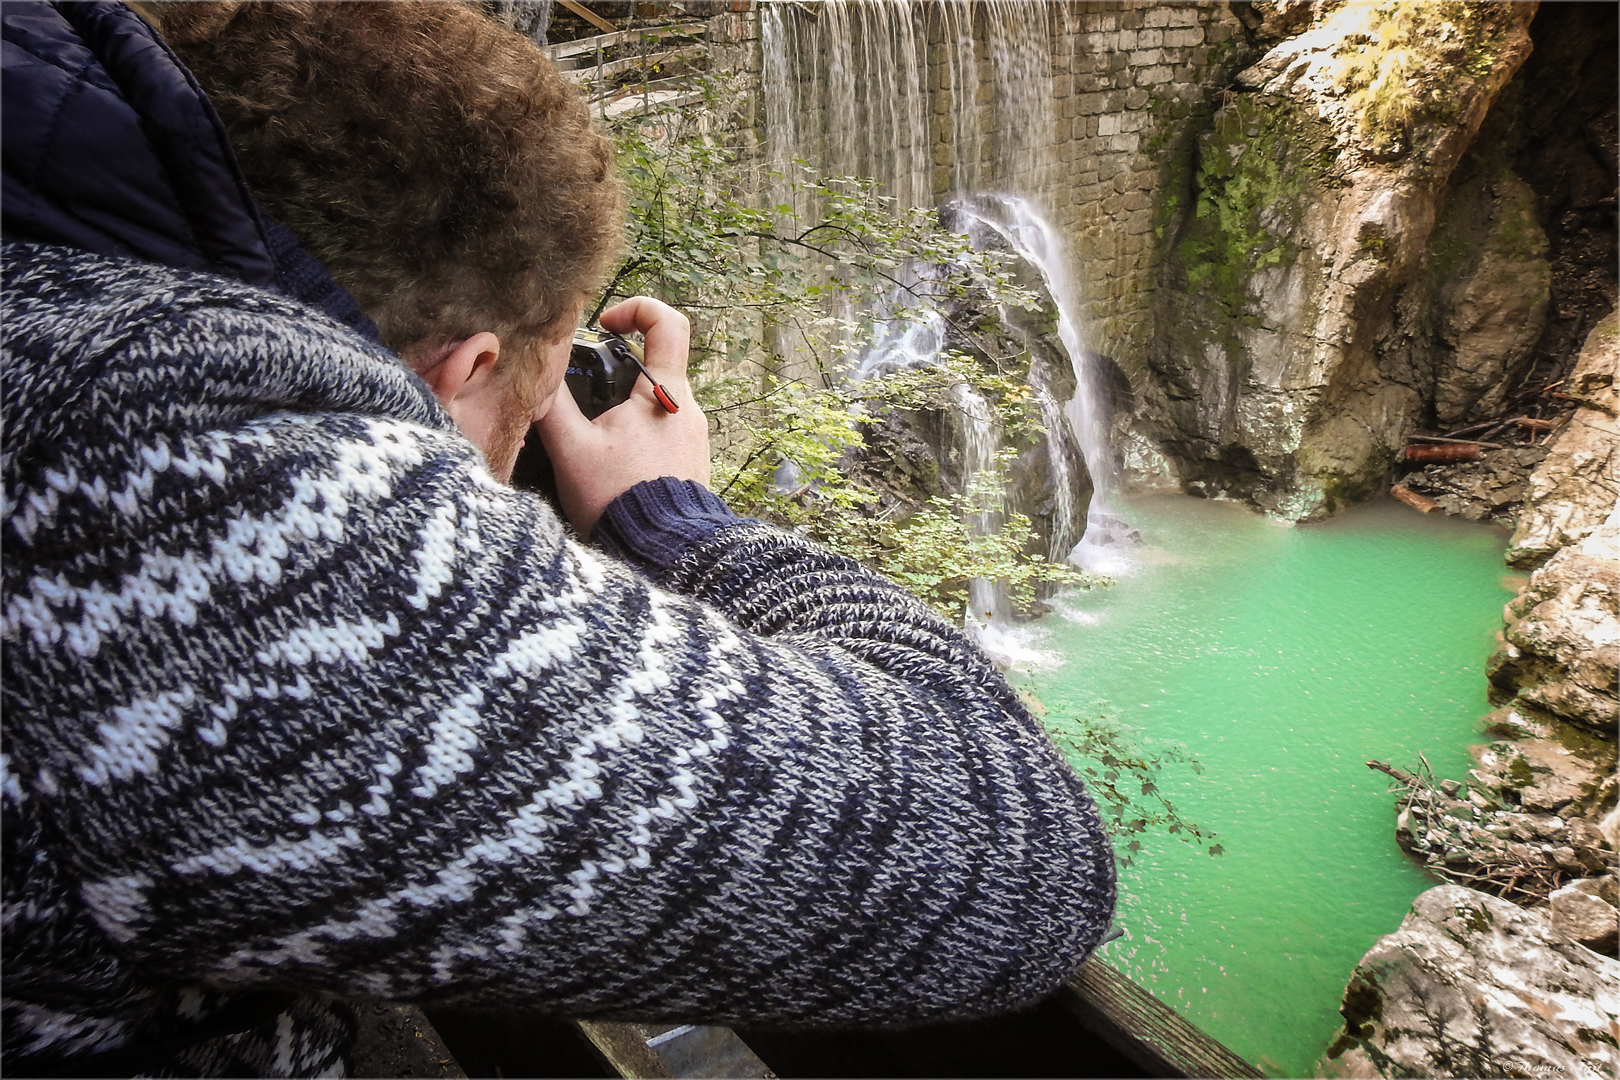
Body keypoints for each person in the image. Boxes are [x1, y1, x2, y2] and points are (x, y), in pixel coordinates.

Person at [0, 2, 1116, 1076]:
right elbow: (1020, 857)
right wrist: (668, 519)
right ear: (466, 369)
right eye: (524, 413)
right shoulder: (218, 517)